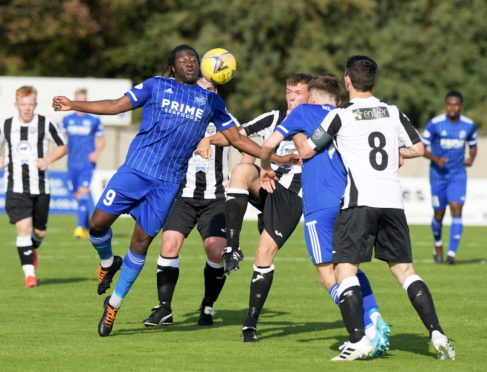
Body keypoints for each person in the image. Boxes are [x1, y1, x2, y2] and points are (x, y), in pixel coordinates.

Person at [52, 45, 264, 337]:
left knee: (140, 244)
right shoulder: (156, 85)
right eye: (183, 60)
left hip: (167, 185)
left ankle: (114, 305)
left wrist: (272, 156)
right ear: (173, 67)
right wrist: (74, 105)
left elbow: (238, 139)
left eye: (193, 59)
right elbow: (115, 105)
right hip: (134, 171)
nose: (189, 63)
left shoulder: (211, 102)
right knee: (97, 225)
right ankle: (107, 261)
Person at [279, 56, 454, 360]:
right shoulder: (392, 112)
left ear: (347, 80)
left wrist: (295, 129)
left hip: (359, 203)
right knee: (405, 271)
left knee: (345, 270)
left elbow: (307, 149)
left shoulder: (341, 116)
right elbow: (418, 148)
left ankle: (359, 339)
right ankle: (436, 332)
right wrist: (393, 150)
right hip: (393, 204)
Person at [260, 74, 389, 357]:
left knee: (325, 274)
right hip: (352, 201)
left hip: (320, 205)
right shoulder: (346, 115)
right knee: (349, 269)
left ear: (312, 97)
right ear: (338, 99)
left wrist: (265, 166)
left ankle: (363, 330)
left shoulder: (303, 112)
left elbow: (268, 144)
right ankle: (374, 316)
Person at [202, 73, 311, 342]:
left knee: (264, 254)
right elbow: (236, 135)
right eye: (289, 91)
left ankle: (250, 324)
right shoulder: (274, 118)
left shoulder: (319, 124)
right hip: (266, 185)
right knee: (241, 169)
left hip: (290, 198)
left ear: (310, 96)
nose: (291, 97)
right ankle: (232, 247)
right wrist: (208, 139)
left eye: (297, 93)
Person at [142, 77, 232, 328]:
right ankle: (164, 309)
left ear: (216, 93)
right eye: (199, 88)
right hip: (183, 196)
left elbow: (236, 138)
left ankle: (208, 304)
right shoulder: (181, 115)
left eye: (209, 89)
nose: (203, 93)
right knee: (168, 245)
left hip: (214, 199)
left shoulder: (222, 116)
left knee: (215, 252)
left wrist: (210, 140)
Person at [0, 86, 67, 288]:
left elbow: (63, 146)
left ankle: (33, 247)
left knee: (39, 232)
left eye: (31, 104)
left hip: (41, 186)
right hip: (15, 186)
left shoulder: (45, 123)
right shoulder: (6, 125)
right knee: (23, 229)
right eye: (23, 104)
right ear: (16, 105)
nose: (27, 108)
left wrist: (48, 159)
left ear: (35, 105)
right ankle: (29, 275)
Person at [422, 90, 477, 264]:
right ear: (446, 105)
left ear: (461, 106)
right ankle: (438, 244)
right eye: (450, 104)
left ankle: (451, 255)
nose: (453, 107)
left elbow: (473, 146)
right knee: (439, 215)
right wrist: (435, 158)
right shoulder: (435, 124)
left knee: (456, 209)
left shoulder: (469, 125)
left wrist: (471, 158)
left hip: (458, 175)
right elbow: (422, 148)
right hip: (438, 176)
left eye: (456, 104)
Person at [61, 88, 106, 239]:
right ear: (75, 100)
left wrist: (96, 153)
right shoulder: (67, 120)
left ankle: (79, 228)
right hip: (72, 163)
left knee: (83, 195)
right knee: (78, 196)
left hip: (87, 164)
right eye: (80, 98)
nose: (83, 101)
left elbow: (101, 139)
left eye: (85, 98)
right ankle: (87, 226)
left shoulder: (94, 120)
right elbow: (62, 139)